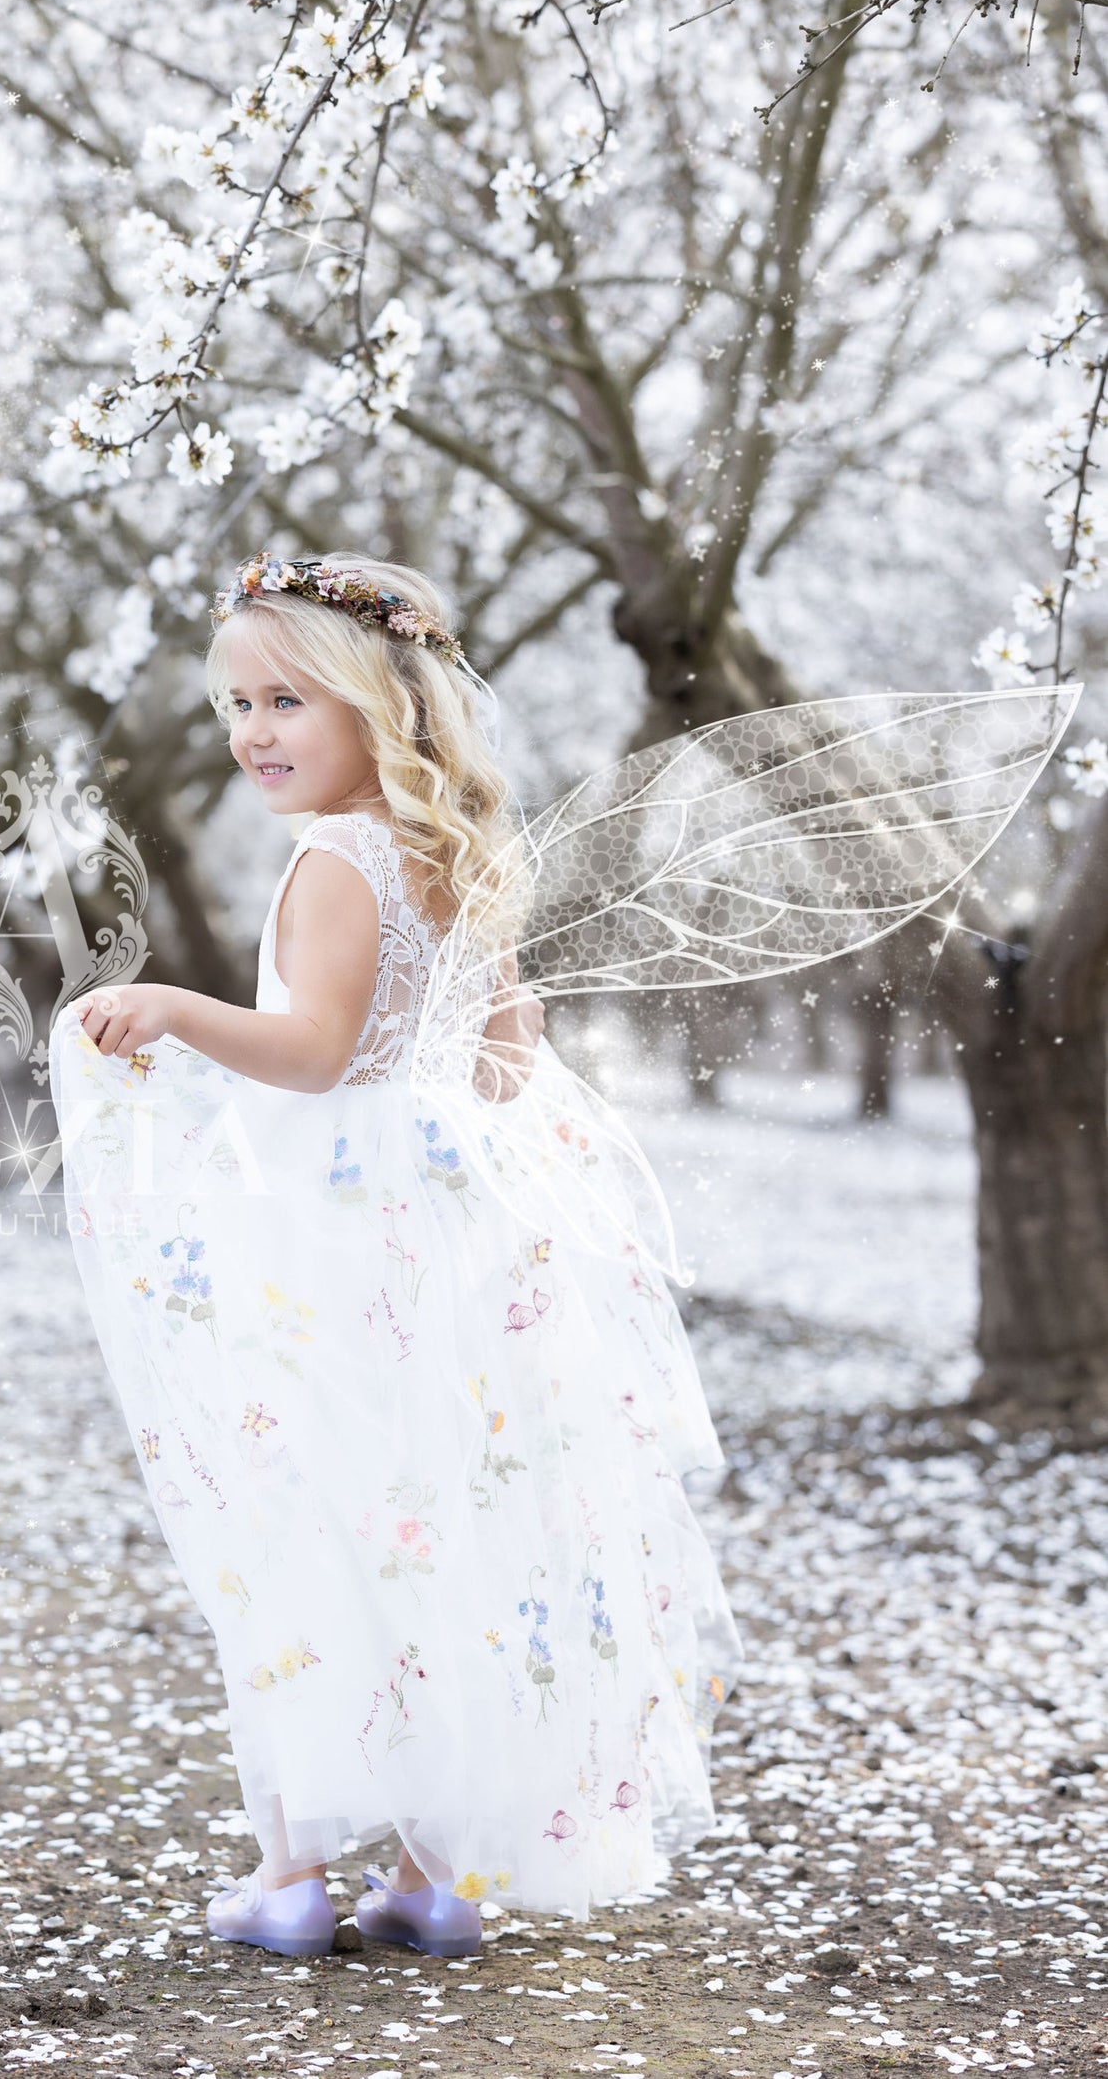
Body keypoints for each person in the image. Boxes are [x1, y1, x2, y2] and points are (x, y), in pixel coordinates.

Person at [49, 548, 744, 1958]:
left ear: (378, 702)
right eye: (237, 703)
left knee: (303, 1519)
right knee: (427, 1523)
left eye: (286, 700)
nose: (253, 732)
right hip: (438, 1235)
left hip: (322, 1236)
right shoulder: (456, 856)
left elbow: (309, 1055)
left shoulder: (331, 863)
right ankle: (434, 1874)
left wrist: (171, 1005)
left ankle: (292, 1871)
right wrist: (505, 1033)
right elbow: (492, 1069)